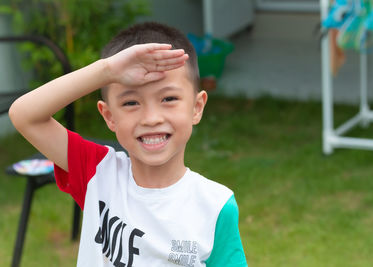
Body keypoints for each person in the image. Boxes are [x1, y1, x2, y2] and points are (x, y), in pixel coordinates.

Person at [9, 22, 247, 266]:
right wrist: (107, 71)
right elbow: (24, 115)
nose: (152, 118)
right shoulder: (98, 173)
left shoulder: (216, 207)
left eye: (168, 98)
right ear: (109, 116)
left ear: (196, 108)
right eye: (131, 102)